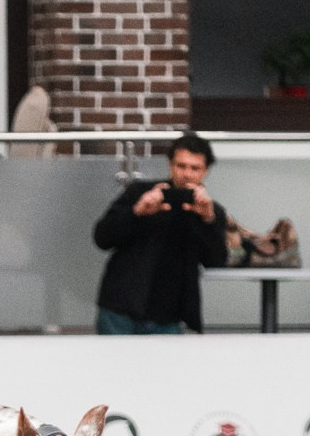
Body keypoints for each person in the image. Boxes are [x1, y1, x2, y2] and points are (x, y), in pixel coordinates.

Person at [91, 133, 230, 334]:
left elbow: (216, 260)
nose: (187, 174)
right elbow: (102, 238)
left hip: (168, 315)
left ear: (205, 171)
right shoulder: (140, 192)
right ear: (170, 164)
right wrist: (136, 212)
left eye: (195, 168)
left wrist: (208, 220)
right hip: (120, 308)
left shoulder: (210, 211)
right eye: (181, 166)